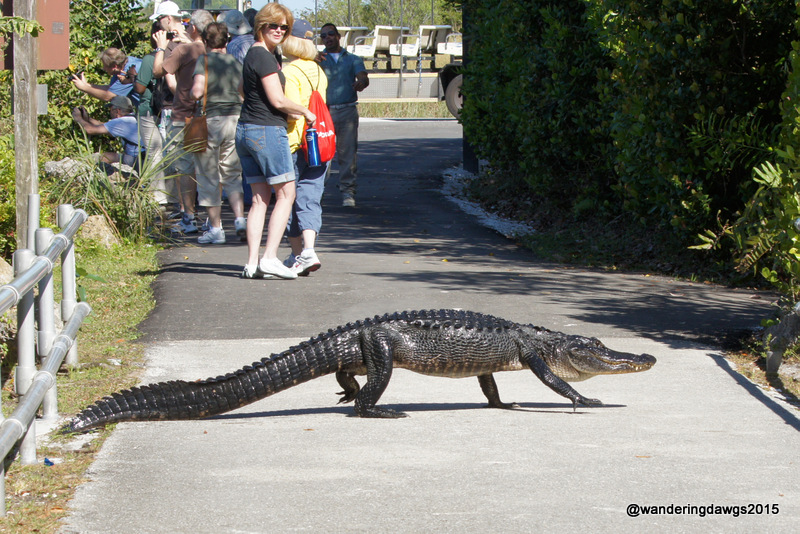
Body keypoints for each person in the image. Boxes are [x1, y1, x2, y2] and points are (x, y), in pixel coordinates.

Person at [235, 3, 316, 280]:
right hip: (267, 131)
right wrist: (306, 112)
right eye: (274, 25)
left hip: (245, 129)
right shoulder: (265, 57)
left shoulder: (252, 55)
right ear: (261, 26)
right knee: (286, 193)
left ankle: (252, 263)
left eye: (284, 27)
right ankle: (269, 257)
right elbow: (278, 100)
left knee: (259, 198)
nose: (279, 30)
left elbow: (241, 91)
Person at [153, 9, 215, 234]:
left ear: (195, 28)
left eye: (189, 25)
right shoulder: (212, 51)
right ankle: (212, 220)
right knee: (207, 168)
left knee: (185, 168)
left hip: (183, 115)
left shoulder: (183, 49)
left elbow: (158, 70)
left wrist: (161, 46)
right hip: (207, 114)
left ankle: (189, 217)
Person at [189, 22, 246, 245]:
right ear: (227, 40)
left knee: (207, 174)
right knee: (232, 173)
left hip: (211, 120)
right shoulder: (235, 62)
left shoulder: (203, 61)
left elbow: (196, 92)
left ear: (205, 41)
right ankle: (240, 218)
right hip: (235, 118)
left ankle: (216, 228)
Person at [280, 31, 329, 276]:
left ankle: (296, 253)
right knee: (310, 196)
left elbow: (292, 112)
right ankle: (309, 250)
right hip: (318, 142)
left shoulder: (289, 72)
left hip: (295, 141)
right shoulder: (318, 71)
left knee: (288, 198)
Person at [319, 23, 369, 208]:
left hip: (347, 110)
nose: (327, 38)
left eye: (331, 34)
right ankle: (318, 192)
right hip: (326, 111)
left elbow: (363, 77)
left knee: (347, 153)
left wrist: (361, 82)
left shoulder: (353, 59)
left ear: (338, 36)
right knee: (323, 153)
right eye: (323, 36)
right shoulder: (319, 60)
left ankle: (348, 192)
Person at [134, 21, 176, 210]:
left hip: (150, 110)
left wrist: (134, 79)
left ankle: (157, 196)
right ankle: (174, 195)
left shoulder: (150, 59)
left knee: (154, 152)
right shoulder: (177, 55)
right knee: (172, 153)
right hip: (172, 108)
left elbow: (141, 87)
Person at [71, 95, 143, 169]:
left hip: (141, 162)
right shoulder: (132, 118)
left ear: (117, 111)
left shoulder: (122, 121)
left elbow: (90, 130)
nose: (110, 113)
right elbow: (104, 126)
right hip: (146, 158)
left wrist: (78, 118)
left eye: (111, 110)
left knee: (105, 157)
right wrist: (88, 119)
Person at [70, 47, 142, 106]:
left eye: (105, 66)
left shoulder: (130, 70)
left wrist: (84, 88)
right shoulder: (125, 63)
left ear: (114, 66)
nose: (104, 69)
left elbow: (108, 96)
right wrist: (87, 85)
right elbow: (111, 88)